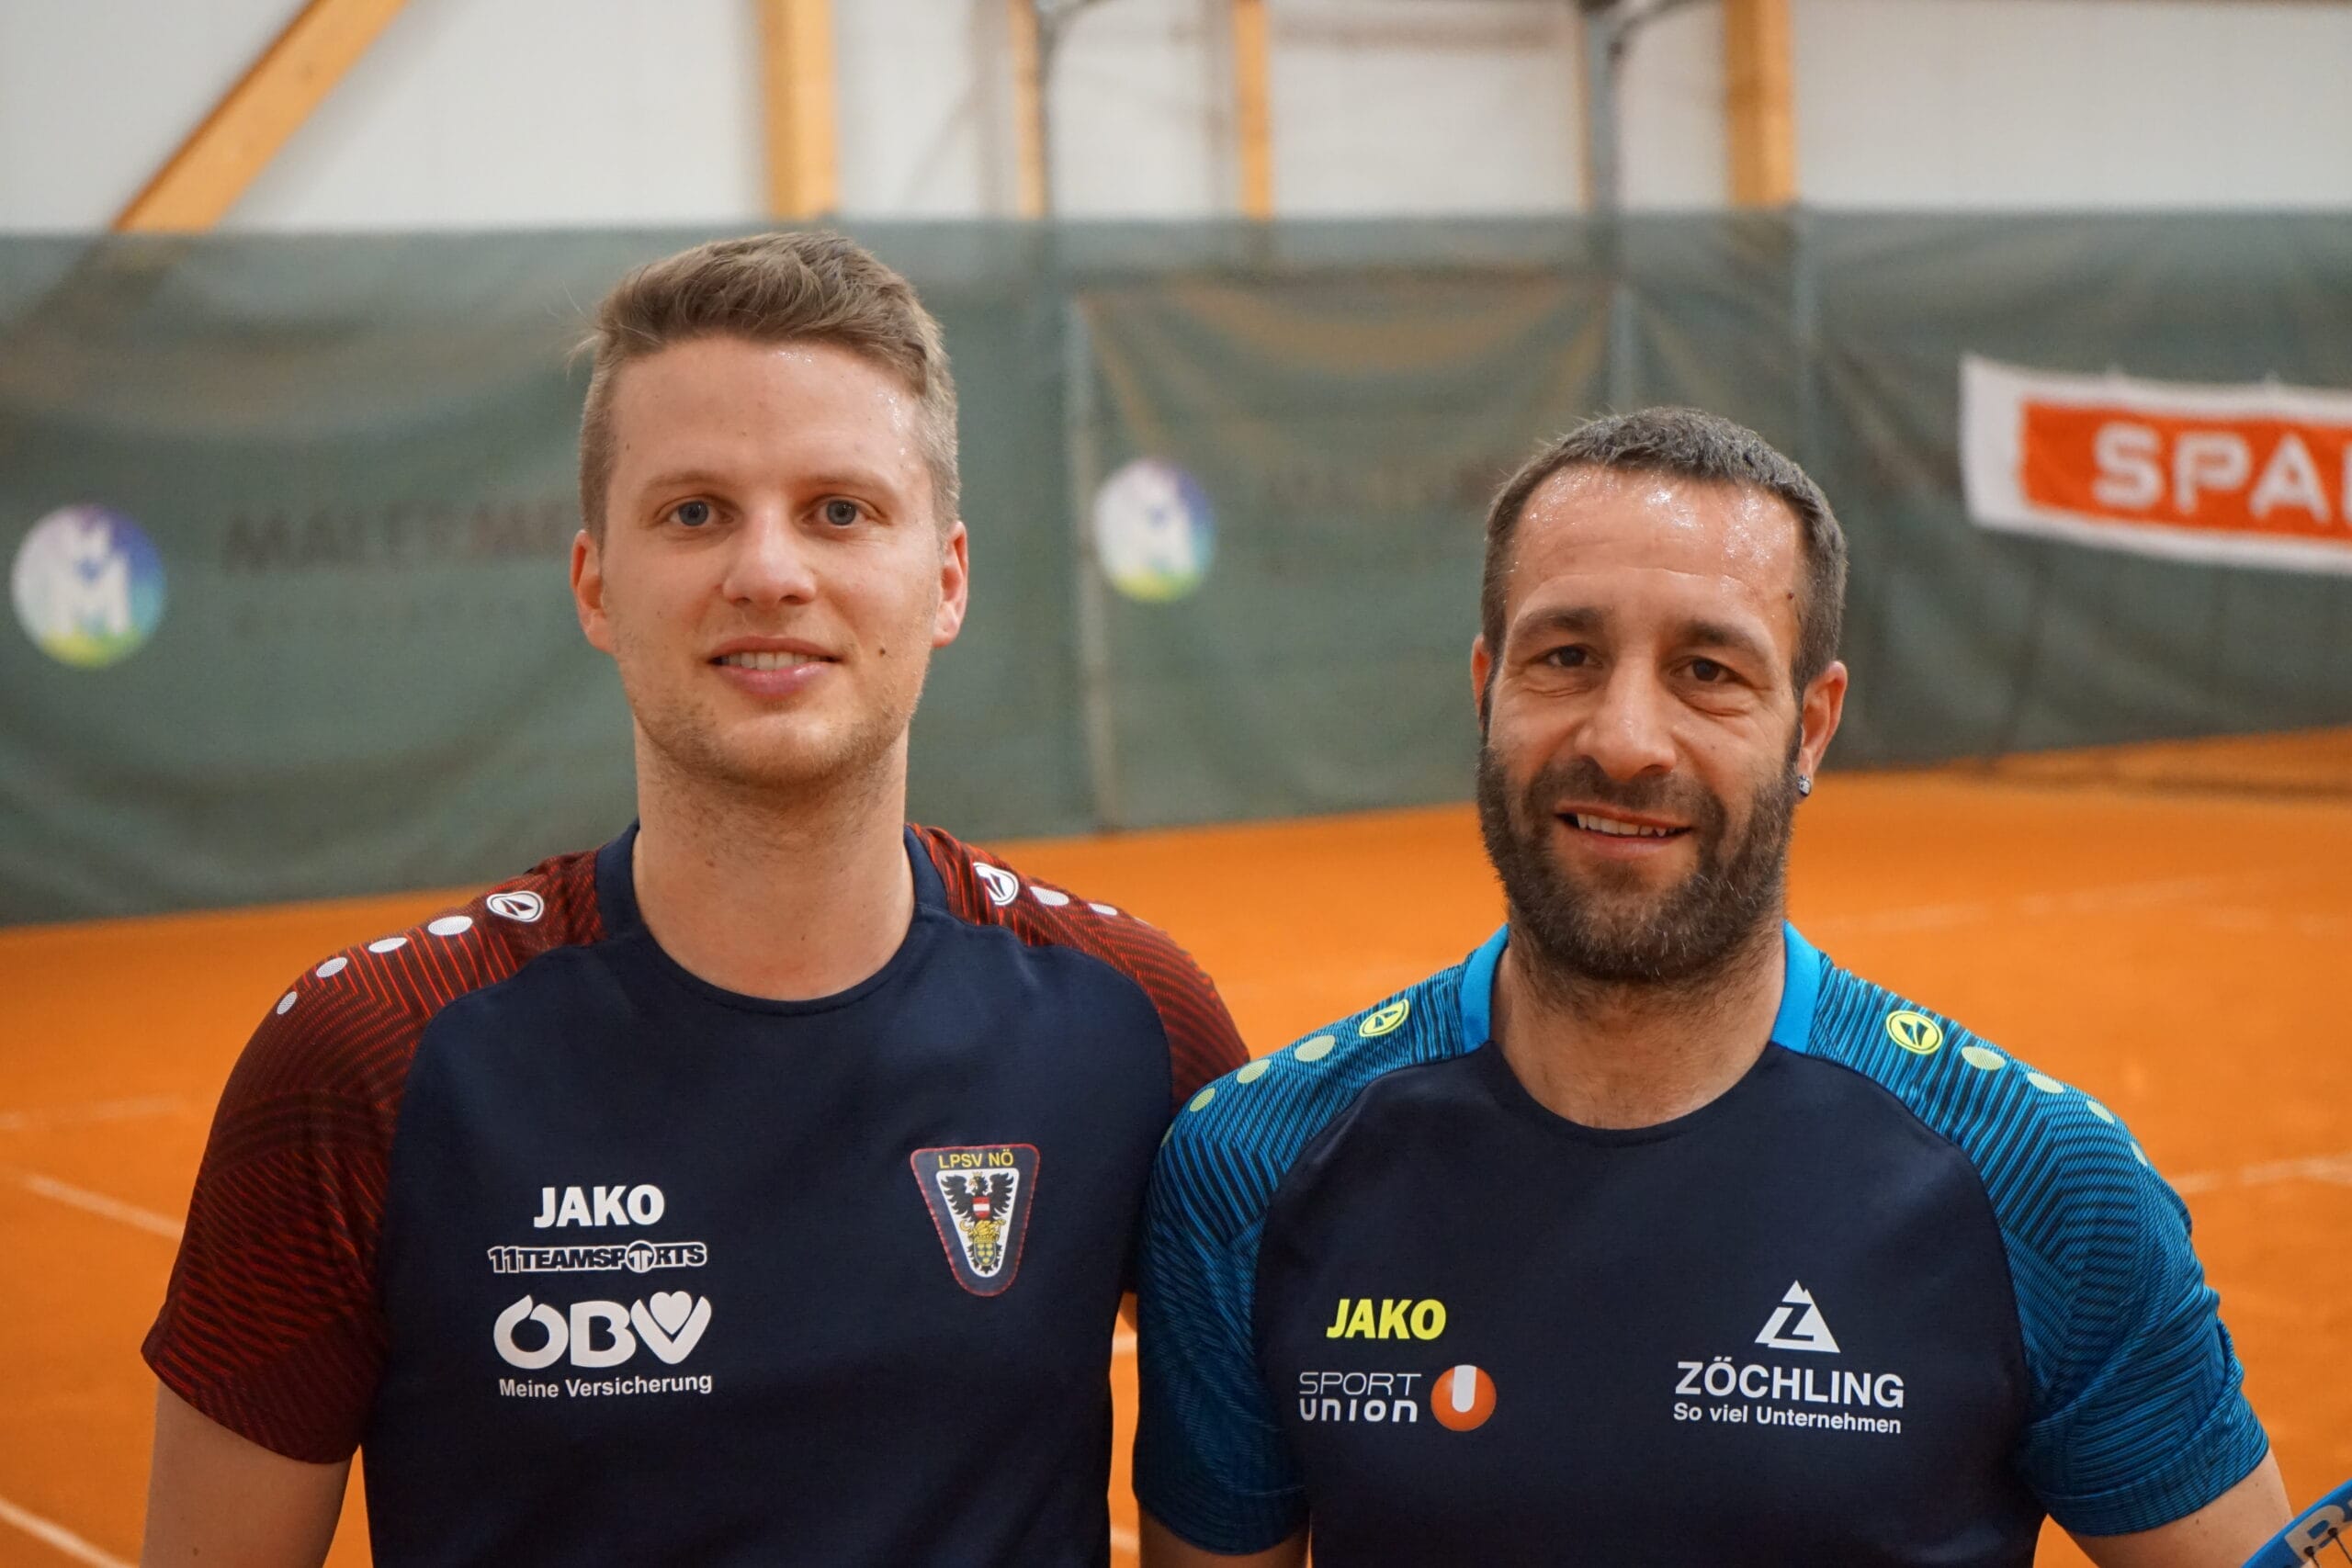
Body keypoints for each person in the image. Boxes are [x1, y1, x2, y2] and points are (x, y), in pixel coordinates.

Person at [141, 231, 1246, 1567]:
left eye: (840, 510)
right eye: (694, 512)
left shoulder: (1134, 1025)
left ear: (947, 580)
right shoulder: (366, 1064)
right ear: (595, 585)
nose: (769, 571)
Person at [1133, 408, 2286, 1568]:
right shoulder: (1250, 1167)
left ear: (1810, 728)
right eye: (1565, 657)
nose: (1626, 738)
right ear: (1487, 689)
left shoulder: (2048, 1186)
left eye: (1707, 671)